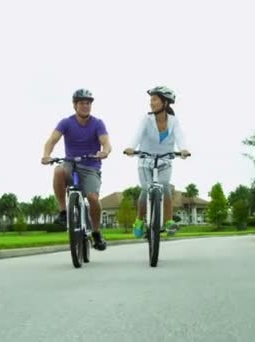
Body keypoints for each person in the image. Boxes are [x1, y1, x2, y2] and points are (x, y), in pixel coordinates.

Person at [41, 88, 112, 250]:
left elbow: (106, 143)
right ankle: (63, 212)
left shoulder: (97, 123)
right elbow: (52, 140)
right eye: (82, 103)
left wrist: (104, 152)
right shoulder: (66, 122)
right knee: (58, 170)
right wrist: (46, 155)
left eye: (88, 103)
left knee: (93, 199)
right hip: (70, 163)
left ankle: (95, 232)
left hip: (90, 165)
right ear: (75, 105)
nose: (85, 106)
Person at [124, 86, 190, 238]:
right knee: (146, 188)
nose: (151, 103)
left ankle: (168, 221)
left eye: (154, 99)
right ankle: (140, 220)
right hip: (145, 161)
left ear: (165, 103)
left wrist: (184, 149)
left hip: (165, 161)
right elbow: (137, 134)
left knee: (165, 186)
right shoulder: (146, 119)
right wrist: (131, 148)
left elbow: (180, 137)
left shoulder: (174, 121)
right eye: (151, 100)